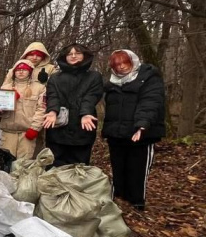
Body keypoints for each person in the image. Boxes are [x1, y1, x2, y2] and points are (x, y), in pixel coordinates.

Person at [102, 50, 165, 210]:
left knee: (137, 168)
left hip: (141, 133)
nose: (121, 67)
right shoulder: (111, 83)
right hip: (116, 133)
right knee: (118, 167)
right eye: (117, 64)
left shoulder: (149, 78)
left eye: (125, 63)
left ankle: (137, 202)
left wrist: (142, 125)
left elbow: (150, 102)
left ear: (133, 62)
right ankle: (119, 199)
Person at [42, 44, 104, 166]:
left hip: (82, 128)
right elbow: (53, 96)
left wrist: (86, 113)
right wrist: (52, 111)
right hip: (58, 129)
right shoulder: (55, 77)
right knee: (55, 166)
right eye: (70, 54)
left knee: (79, 167)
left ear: (84, 55)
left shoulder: (94, 76)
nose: (73, 56)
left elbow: (91, 97)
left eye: (78, 53)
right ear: (64, 57)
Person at [0, 60, 46, 159]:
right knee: (6, 162)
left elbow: (41, 109)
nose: (21, 72)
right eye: (18, 70)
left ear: (30, 72)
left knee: (24, 164)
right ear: (14, 72)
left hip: (27, 133)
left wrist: (35, 128)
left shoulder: (40, 88)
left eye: (24, 70)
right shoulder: (5, 87)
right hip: (8, 132)